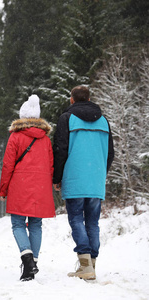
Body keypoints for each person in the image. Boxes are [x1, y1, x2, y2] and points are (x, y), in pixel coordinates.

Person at [53, 85, 114, 280]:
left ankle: (85, 265)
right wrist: (100, 173)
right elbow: (110, 153)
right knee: (93, 222)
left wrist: (57, 177)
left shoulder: (67, 119)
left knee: (77, 219)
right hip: (95, 179)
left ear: (72, 99)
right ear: (88, 99)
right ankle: (91, 265)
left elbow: (61, 149)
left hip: (75, 177)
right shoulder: (104, 121)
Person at [0, 95, 55, 281]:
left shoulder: (15, 137)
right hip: (40, 187)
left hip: (19, 186)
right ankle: (32, 263)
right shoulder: (45, 140)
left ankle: (28, 259)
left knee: (18, 224)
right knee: (36, 225)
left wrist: (3, 189)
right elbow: (50, 165)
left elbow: (8, 165)